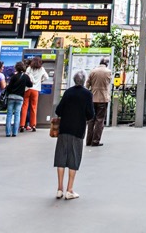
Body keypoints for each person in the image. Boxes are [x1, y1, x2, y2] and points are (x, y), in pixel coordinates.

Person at [54, 71, 95, 200]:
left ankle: (59, 189)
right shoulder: (87, 94)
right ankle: (69, 189)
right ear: (83, 81)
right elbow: (90, 114)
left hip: (64, 128)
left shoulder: (68, 92)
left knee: (61, 157)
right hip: (78, 129)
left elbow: (58, 110)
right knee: (74, 158)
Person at [86, 58, 112, 146]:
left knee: (91, 120)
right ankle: (95, 140)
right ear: (106, 64)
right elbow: (108, 82)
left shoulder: (93, 71)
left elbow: (87, 84)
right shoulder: (108, 72)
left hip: (92, 98)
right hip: (103, 99)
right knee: (99, 120)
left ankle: (88, 140)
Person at [2, 62, 32, 136]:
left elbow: (8, 87)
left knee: (9, 114)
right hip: (20, 97)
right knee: (17, 114)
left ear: (16, 68)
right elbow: (30, 85)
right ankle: (15, 132)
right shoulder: (25, 76)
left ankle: (8, 133)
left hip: (11, 97)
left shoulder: (13, 77)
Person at [23, 56, 45, 132]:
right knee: (33, 108)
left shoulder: (29, 68)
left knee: (24, 107)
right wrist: (41, 80)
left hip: (28, 89)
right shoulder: (41, 69)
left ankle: (22, 125)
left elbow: (26, 76)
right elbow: (47, 77)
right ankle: (33, 125)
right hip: (36, 90)